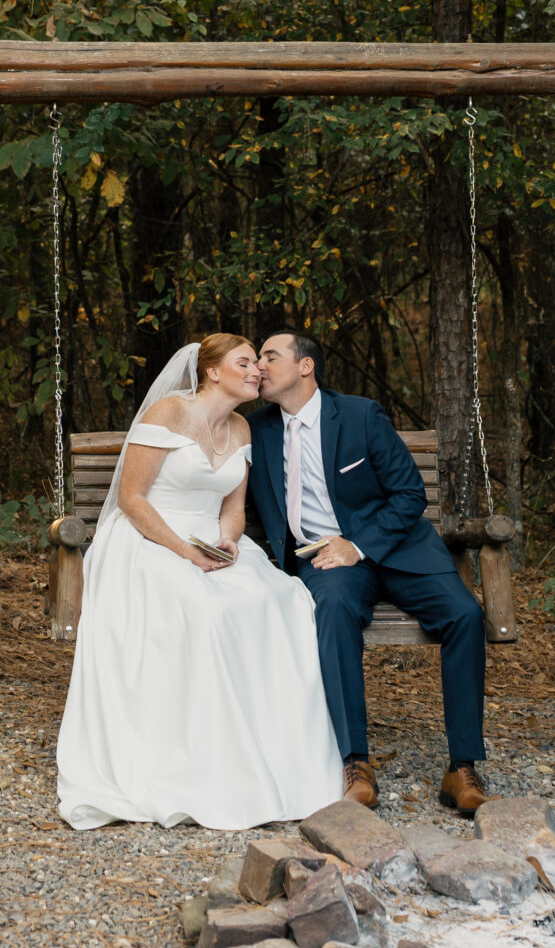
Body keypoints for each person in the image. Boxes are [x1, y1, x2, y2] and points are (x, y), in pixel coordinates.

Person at [57, 334, 345, 830]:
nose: (257, 370)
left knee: (283, 601)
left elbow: (232, 508)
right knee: (206, 610)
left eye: (258, 362)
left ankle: (278, 757)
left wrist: (229, 542)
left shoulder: (241, 428)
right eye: (245, 362)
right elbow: (132, 499)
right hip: (149, 541)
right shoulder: (168, 413)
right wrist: (184, 550)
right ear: (213, 371)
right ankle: (204, 760)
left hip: (210, 541)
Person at [249, 329, 487, 816]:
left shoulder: (359, 415)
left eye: (270, 356)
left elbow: (409, 496)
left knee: (465, 615)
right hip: (323, 560)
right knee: (332, 610)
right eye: (256, 359)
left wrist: (358, 546)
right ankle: (354, 761)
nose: (260, 366)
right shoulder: (257, 430)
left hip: (397, 548)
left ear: (305, 366)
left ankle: (462, 765)